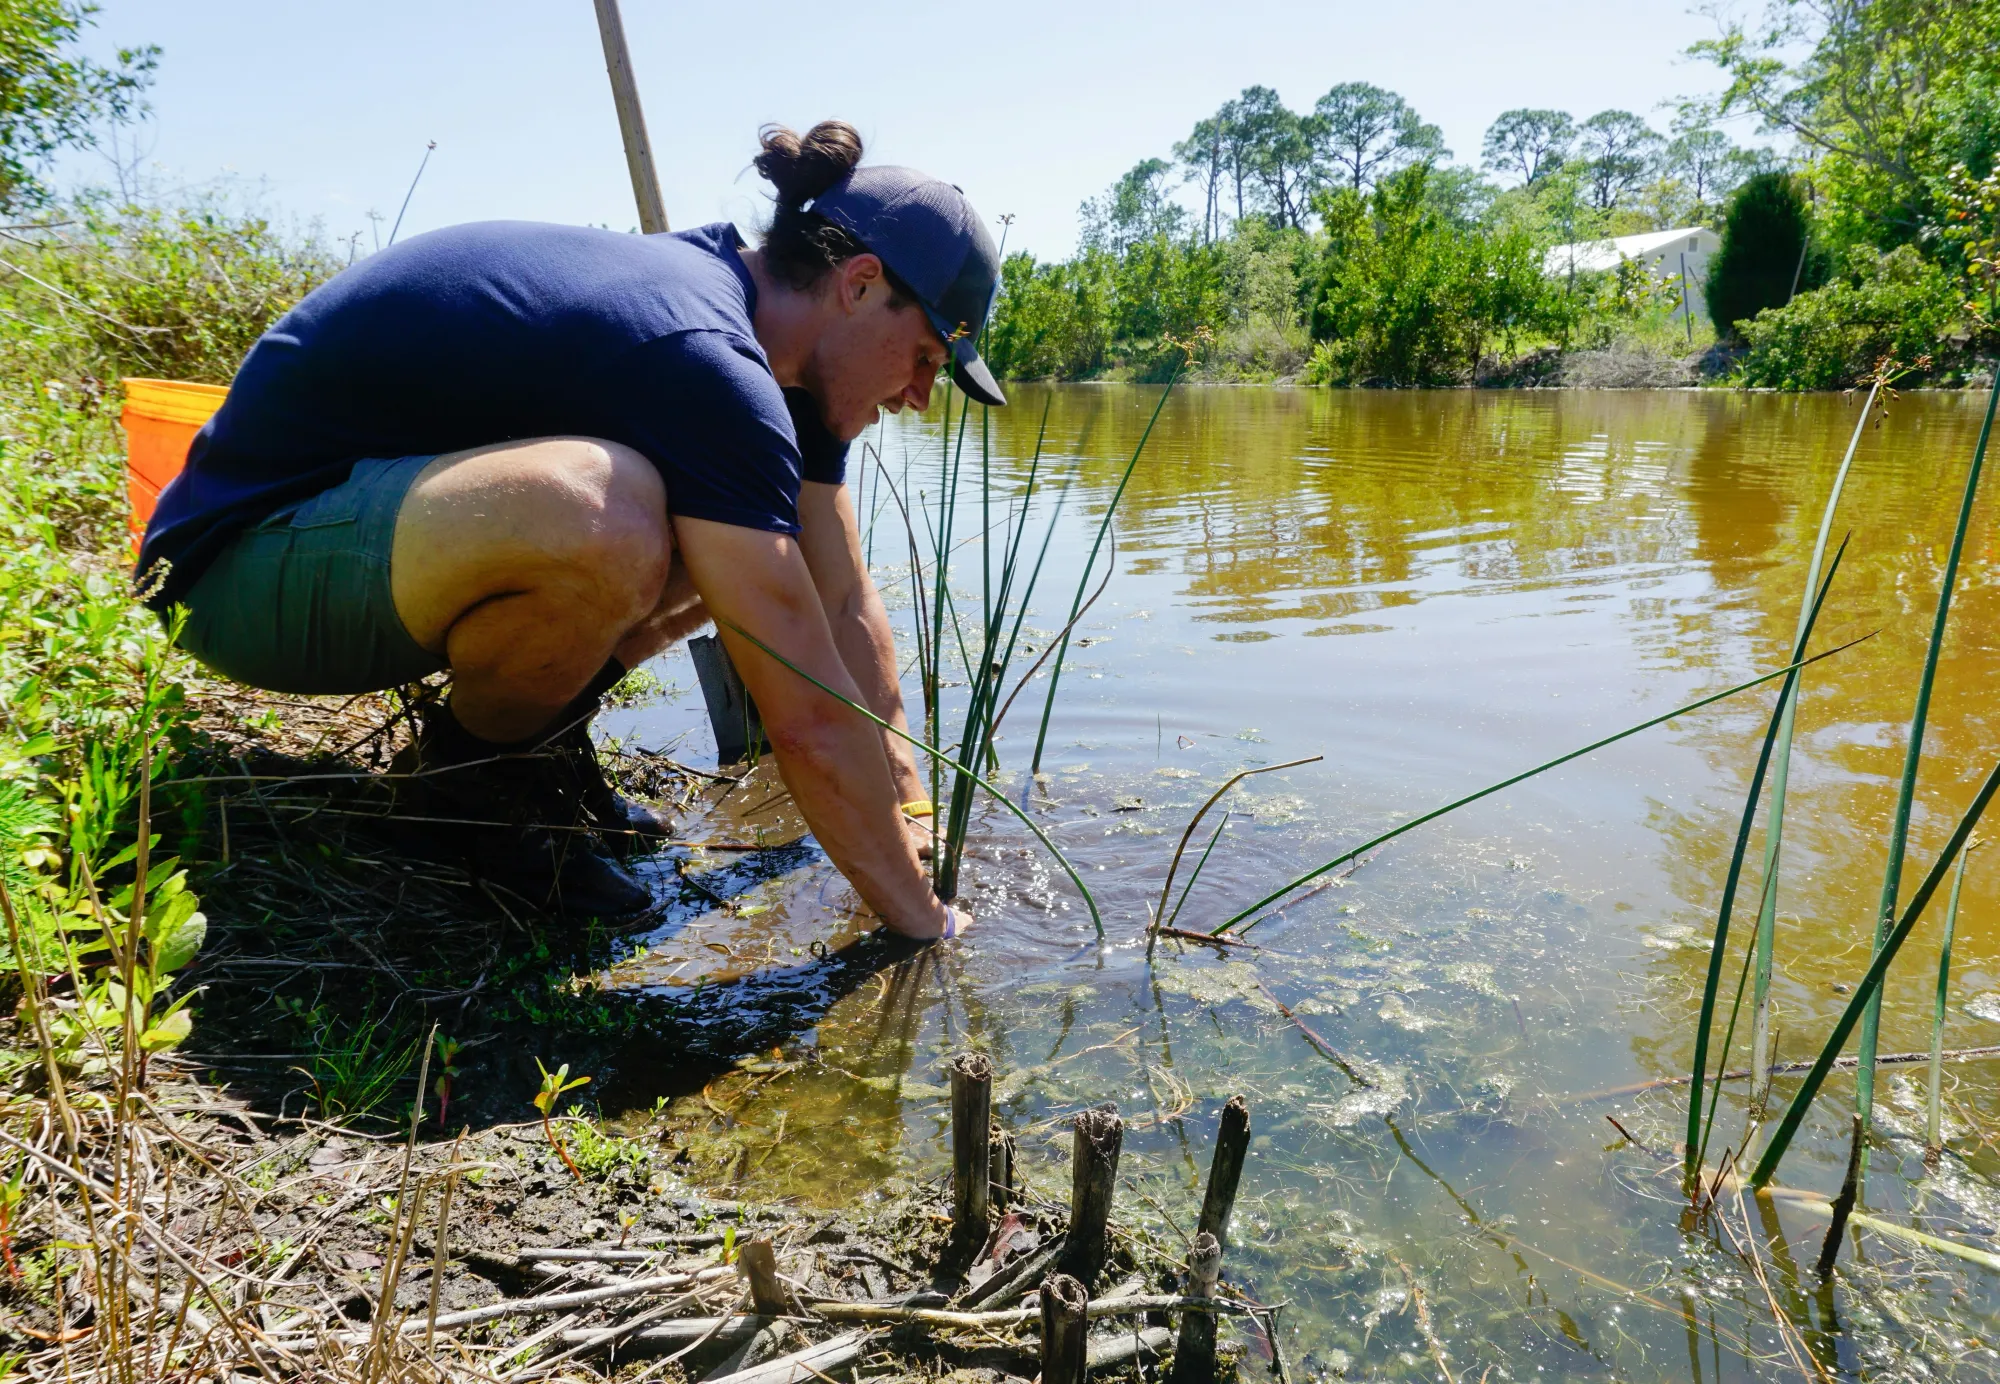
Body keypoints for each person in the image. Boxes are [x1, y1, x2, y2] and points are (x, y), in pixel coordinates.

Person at [135, 121, 997, 940]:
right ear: (859, 284)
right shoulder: (705, 350)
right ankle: (470, 790)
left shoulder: (783, 368)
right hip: (232, 573)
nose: (920, 395)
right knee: (608, 509)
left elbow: (839, 596)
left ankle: (528, 747)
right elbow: (807, 714)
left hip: (374, 540)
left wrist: (908, 805)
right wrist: (922, 919)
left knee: (744, 550)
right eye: (926, 356)